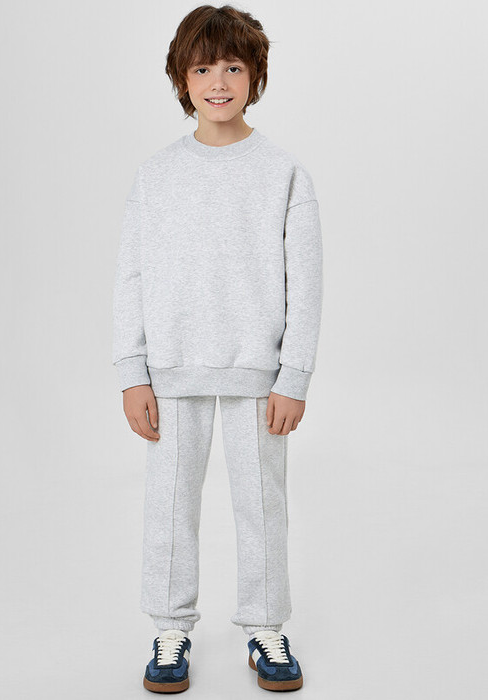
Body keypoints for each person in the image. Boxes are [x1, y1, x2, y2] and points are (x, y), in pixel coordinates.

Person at [112, 4, 323, 693]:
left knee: (261, 504)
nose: (219, 82)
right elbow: (131, 275)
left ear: (255, 74)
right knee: (169, 508)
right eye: (203, 69)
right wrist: (132, 372)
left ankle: (265, 627)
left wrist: (293, 375)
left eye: (233, 67)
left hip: (258, 376)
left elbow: (305, 282)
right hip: (170, 373)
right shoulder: (156, 174)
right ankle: (170, 628)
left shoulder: (283, 173)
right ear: (182, 78)